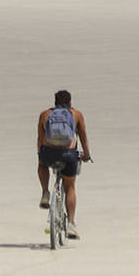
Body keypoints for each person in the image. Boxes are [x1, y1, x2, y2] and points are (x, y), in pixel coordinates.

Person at [37, 90, 90, 240]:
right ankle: (71, 224)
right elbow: (83, 137)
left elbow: (40, 139)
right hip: (68, 155)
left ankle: (45, 193)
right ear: (70, 102)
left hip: (49, 154)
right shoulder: (76, 114)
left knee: (42, 164)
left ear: (54, 102)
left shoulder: (45, 115)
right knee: (70, 187)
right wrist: (86, 154)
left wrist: (41, 155)